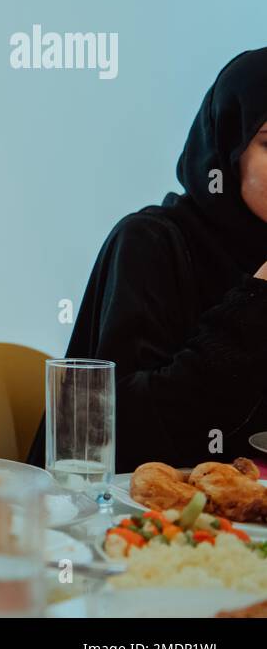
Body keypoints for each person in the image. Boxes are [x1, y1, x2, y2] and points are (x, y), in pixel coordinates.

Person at [29, 48, 267, 474]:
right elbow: (126, 436)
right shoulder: (150, 242)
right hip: (133, 524)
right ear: (228, 145)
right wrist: (257, 302)